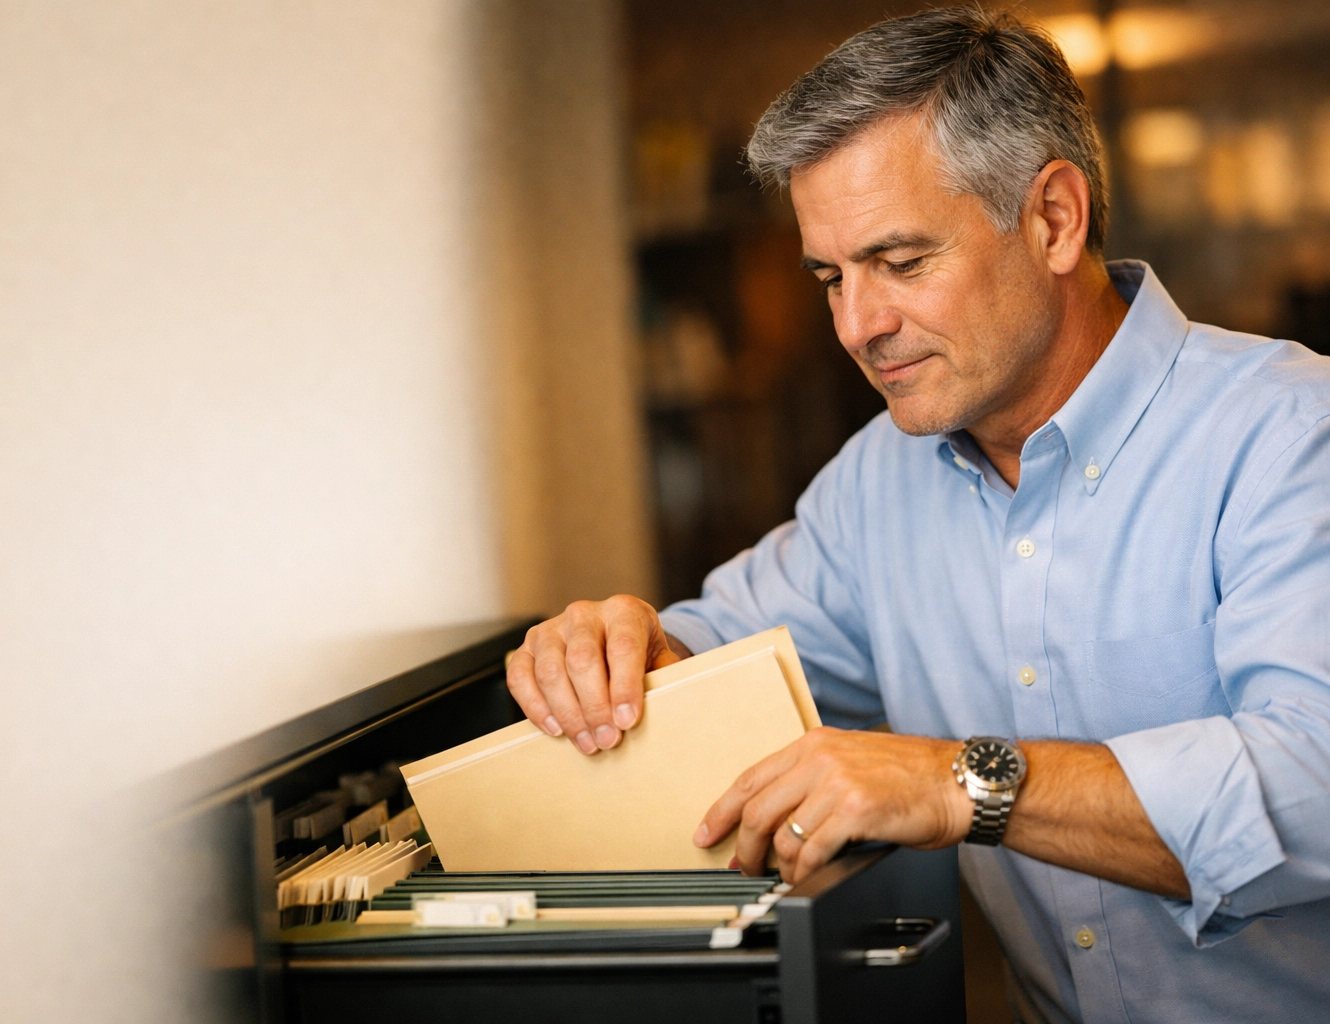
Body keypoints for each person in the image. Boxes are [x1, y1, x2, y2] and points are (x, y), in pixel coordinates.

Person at [506, 8, 1330, 1023]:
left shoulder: (1292, 431)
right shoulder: (874, 486)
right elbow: (714, 667)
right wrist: (618, 649)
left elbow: (1316, 788)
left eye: (900, 264)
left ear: (1055, 219)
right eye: (830, 277)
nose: (857, 326)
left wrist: (961, 784)